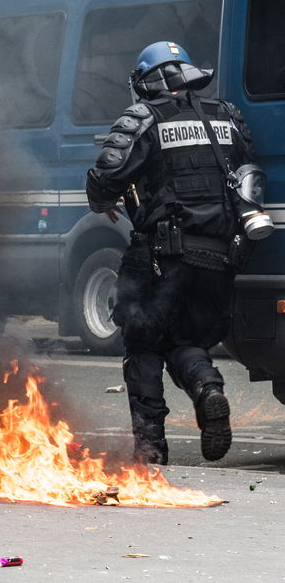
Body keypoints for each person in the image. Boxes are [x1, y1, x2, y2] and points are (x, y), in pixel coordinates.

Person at [86, 40, 263, 464]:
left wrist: (104, 197)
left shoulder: (145, 117)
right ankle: (208, 389)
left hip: (162, 256)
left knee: (144, 344)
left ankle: (150, 450)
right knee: (184, 338)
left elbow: (104, 178)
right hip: (220, 254)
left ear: (146, 81)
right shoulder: (227, 116)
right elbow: (248, 167)